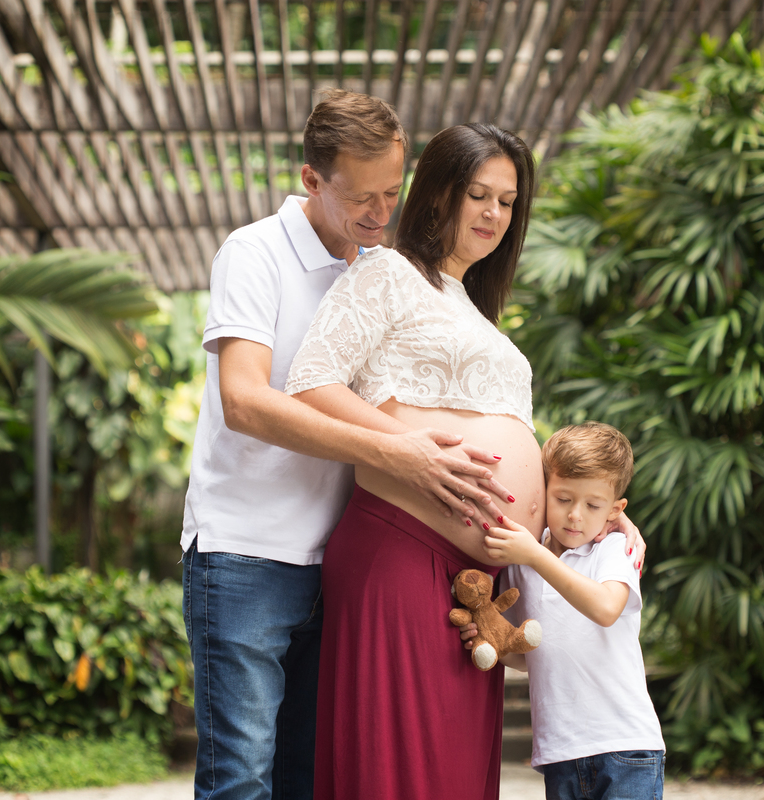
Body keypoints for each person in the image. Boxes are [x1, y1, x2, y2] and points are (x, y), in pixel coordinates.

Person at [286, 123, 644, 799]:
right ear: (438, 193)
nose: (493, 214)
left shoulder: (476, 310)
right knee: (402, 773)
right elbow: (311, 383)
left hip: (477, 586)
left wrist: (600, 519)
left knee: (453, 777)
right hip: (401, 547)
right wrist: (409, 450)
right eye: (478, 194)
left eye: (507, 202)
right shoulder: (388, 272)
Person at [180, 92, 513, 800]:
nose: (380, 212)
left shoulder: (384, 266)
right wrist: (401, 450)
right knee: (242, 777)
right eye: (362, 197)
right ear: (312, 179)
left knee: (309, 780)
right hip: (247, 553)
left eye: (393, 192)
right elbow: (244, 400)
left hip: (336, 561)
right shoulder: (255, 253)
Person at [482, 422, 666, 800]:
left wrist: (535, 556)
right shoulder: (523, 561)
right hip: (560, 751)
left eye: (593, 505)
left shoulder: (613, 549)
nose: (575, 516)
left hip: (625, 746)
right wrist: (491, 639)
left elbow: (606, 608)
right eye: (563, 499)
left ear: (615, 510)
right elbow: (527, 656)